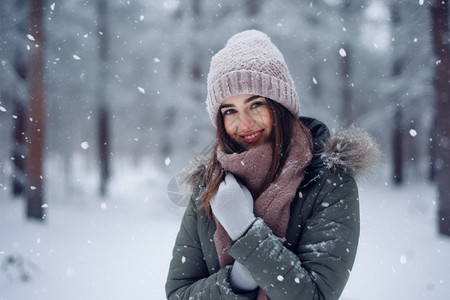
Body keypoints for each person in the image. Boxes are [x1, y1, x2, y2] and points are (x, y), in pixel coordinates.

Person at [165, 29, 380, 300]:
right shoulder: (210, 186)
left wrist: (245, 231)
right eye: (230, 110)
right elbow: (178, 293)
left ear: (280, 105)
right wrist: (237, 280)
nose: (244, 124)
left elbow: (316, 296)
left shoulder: (328, 181)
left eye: (256, 105)